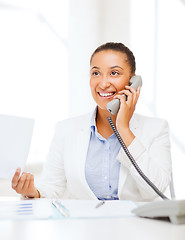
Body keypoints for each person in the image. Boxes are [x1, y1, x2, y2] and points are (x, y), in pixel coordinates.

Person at [11, 42, 172, 201]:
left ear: (133, 81)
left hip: (135, 225)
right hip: (83, 226)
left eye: (114, 73)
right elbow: (53, 188)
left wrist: (123, 129)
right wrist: (33, 192)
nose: (103, 83)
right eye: (96, 73)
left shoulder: (156, 129)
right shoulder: (66, 130)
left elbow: (156, 190)